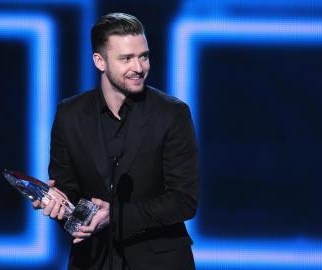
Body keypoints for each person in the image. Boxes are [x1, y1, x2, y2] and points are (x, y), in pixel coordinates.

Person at [34, 12, 199, 270]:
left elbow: (184, 201)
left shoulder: (172, 113)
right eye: (126, 58)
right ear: (100, 61)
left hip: (158, 261)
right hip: (93, 260)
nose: (139, 67)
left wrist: (115, 216)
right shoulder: (70, 114)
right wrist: (60, 205)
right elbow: (70, 191)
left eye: (144, 56)